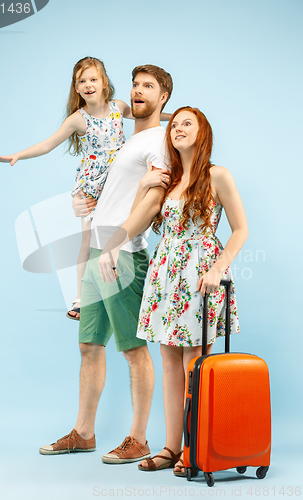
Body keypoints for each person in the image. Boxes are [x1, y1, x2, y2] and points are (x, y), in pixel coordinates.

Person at [99, 106, 248, 474]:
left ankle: (193, 449)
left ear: (203, 133)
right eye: (175, 124)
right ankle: (170, 448)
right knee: (169, 363)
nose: (178, 128)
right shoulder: (166, 178)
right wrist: (111, 246)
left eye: (187, 123)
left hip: (201, 275)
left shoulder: (218, 175)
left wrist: (218, 268)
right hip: (165, 274)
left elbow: (241, 229)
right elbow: (137, 220)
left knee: (193, 363)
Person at [38, 65, 174, 463]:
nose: (138, 91)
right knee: (88, 346)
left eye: (148, 86)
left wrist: (119, 241)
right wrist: (83, 205)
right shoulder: (126, 138)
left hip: (124, 255)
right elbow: (108, 189)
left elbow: (153, 203)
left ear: (163, 97)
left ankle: (139, 439)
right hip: (97, 249)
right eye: (135, 84)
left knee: (133, 350)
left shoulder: (159, 142)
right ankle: (84, 432)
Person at [0, 57, 171, 321]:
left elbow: (146, 113)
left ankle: (125, 283)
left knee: (119, 229)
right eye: (81, 81)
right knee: (88, 241)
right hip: (92, 183)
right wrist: (18, 155)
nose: (88, 85)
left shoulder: (118, 107)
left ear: (105, 83)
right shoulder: (78, 119)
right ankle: (81, 296)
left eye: (93, 79)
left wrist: (176, 117)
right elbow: (48, 144)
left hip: (115, 179)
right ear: (76, 89)